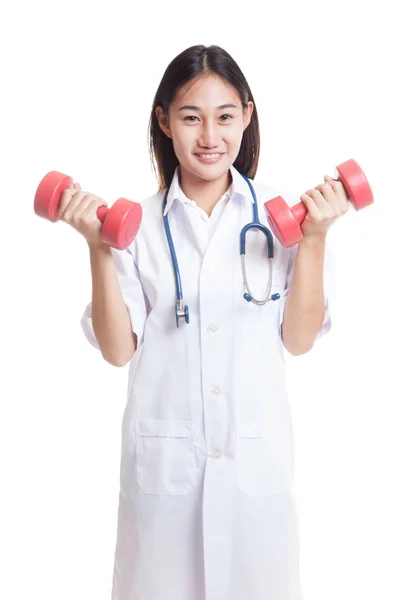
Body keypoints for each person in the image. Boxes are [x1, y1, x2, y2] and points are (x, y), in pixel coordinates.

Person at [58, 44, 348, 600]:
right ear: (164, 121)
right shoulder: (135, 227)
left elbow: (300, 339)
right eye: (191, 117)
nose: (210, 136)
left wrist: (314, 239)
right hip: (166, 480)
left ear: (248, 114)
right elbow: (119, 351)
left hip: (253, 477)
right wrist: (98, 247)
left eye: (225, 116)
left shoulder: (282, 221)